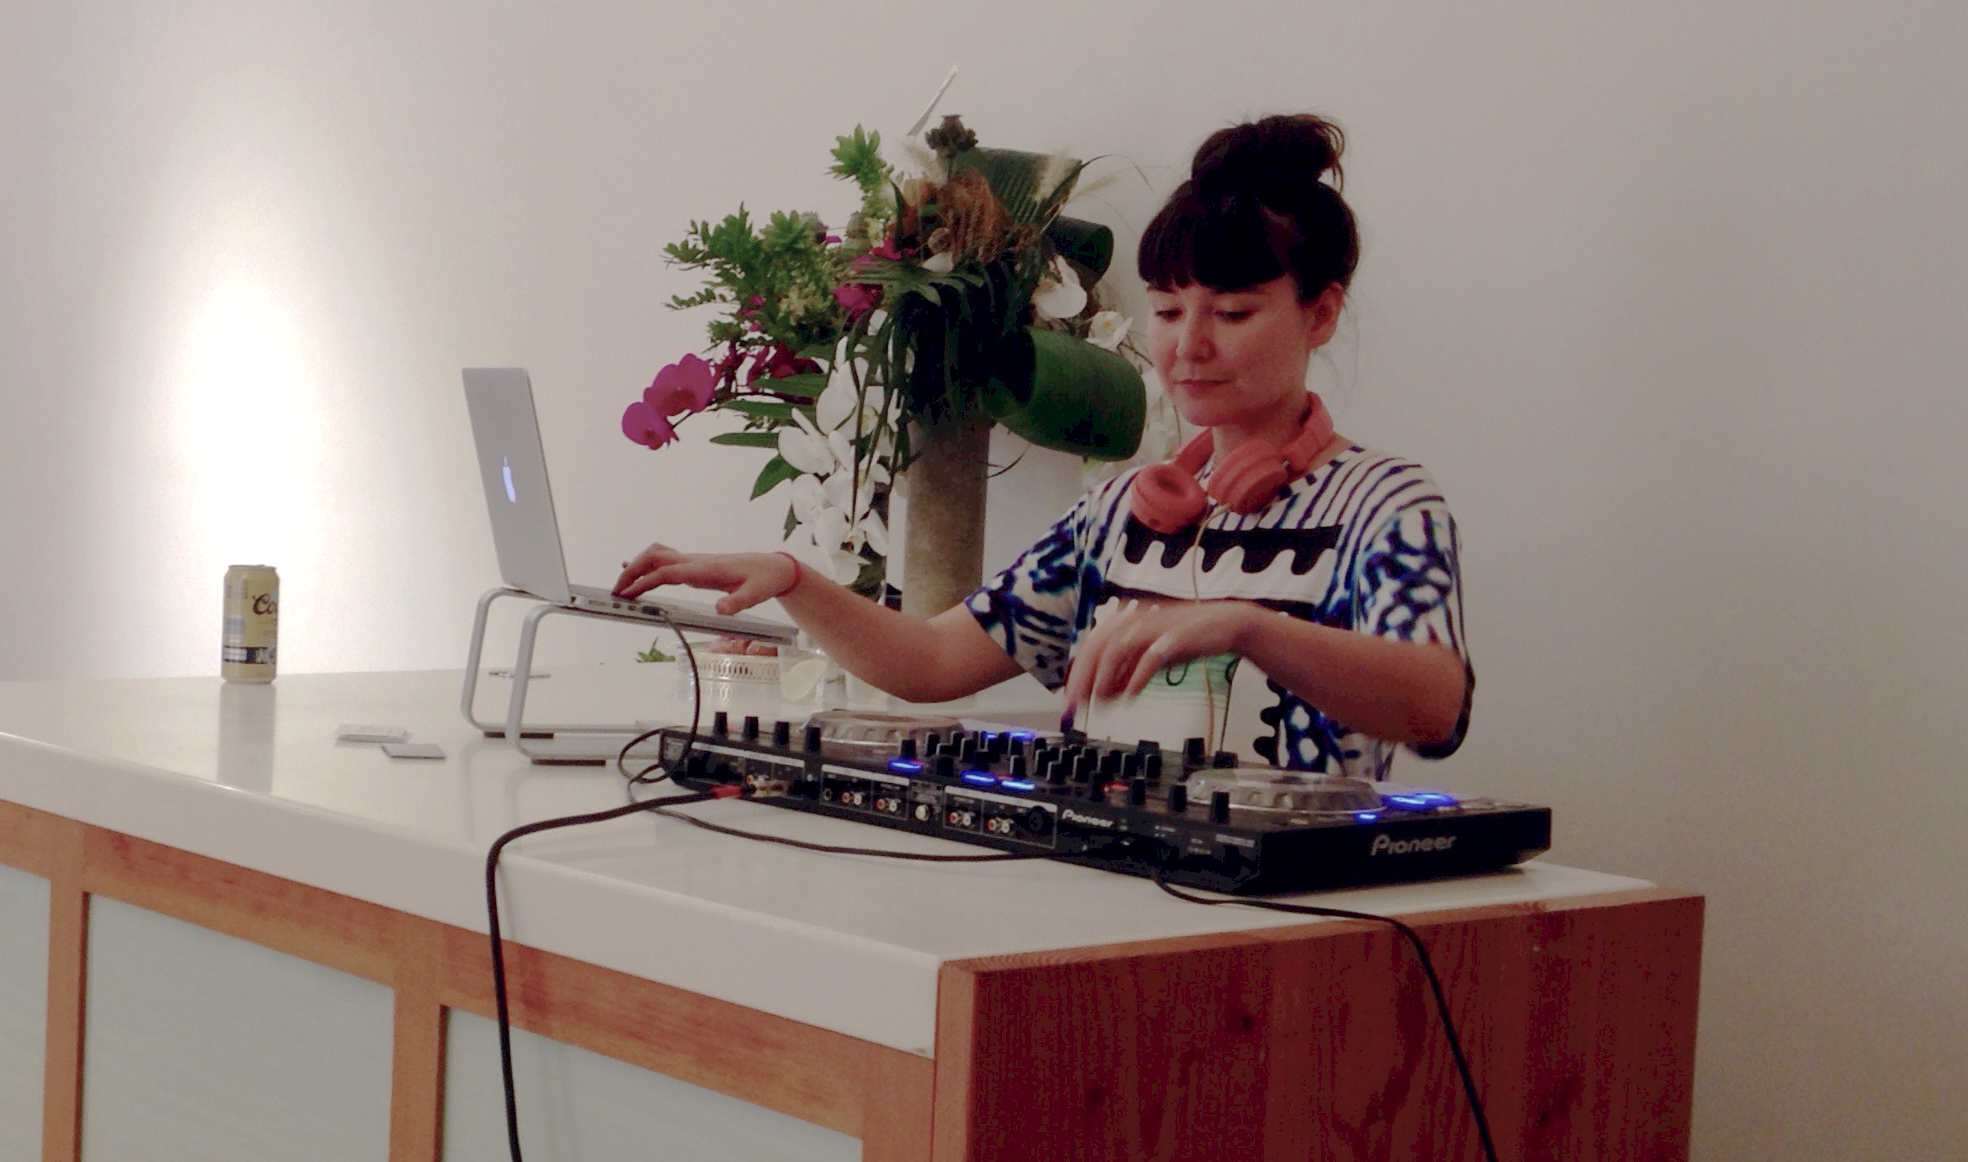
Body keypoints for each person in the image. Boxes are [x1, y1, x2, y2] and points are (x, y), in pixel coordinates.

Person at [615, 115, 1472, 776]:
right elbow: (934, 660)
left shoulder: (1385, 504)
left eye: (1233, 312)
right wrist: (793, 579)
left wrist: (1247, 626)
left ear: (1321, 313)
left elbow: (1436, 706)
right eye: (1167, 310)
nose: (1188, 344)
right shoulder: (1119, 514)